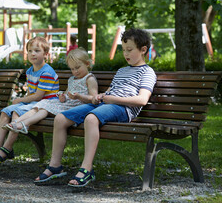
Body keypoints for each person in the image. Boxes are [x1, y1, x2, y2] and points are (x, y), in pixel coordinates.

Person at [34, 28, 157, 187]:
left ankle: (87, 169)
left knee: (91, 118)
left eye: (129, 50)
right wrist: (101, 95)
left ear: (143, 50)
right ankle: (55, 166)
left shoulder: (147, 72)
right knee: (60, 118)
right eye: (123, 50)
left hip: (123, 109)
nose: (125, 54)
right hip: (106, 103)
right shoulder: (121, 70)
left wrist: (110, 98)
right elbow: (110, 91)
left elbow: (142, 100)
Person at [0, 36, 59, 164]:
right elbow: (31, 93)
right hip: (34, 103)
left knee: (17, 112)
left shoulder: (47, 72)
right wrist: (23, 100)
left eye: (37, 51)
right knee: (5, 111)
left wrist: (20, 100)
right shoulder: (30, 71)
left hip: (45, 105)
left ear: (45, 54)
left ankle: (7, 148)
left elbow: (39, 96)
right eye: (29, 51)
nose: (32, 53)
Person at [2, 48, 98, 136]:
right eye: (72, 69)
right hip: (67, 104)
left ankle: (24, 124)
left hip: (77, 107)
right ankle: (16, 122)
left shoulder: (89, 79)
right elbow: (66, 93)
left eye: (77, 67)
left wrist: (79, 97)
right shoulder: (72, 79)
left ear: (87, 64)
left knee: (45, 108)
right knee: (43, 104)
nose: (75, 71)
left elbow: (94, 99)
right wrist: (62, 96)